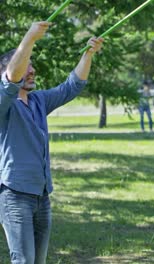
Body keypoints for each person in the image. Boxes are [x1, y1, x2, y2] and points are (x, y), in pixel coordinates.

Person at [0, 21, 104, 264]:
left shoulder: (38, 101)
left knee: (38, 261)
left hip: (42, 195)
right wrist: (30, 38)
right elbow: (10, 82)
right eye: (26, 64)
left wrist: (88, 54)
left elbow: (72, 86)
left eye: (32, 65)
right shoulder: (4, 103)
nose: (31, 70)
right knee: (24, 261)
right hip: (14, 195)